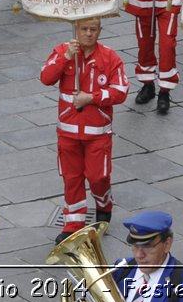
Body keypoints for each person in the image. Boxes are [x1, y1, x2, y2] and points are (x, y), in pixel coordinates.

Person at [40, 17, 128, 243]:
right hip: (68, 133)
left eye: (93, 29)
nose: (88, 34)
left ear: (100, 31)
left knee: (98, 177)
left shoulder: (110, 57)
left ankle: (104, 202)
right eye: (84, 29)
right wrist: (66, 57)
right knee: (71, 178)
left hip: (98, 134)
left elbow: (120, 91)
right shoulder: (62, 51)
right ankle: (73, 223)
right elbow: (46, 78)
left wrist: (92, 98)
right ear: (76, 29)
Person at [110, 211, 183, 302]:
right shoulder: (121, 268)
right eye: (135, 246)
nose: (139, 255)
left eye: (147, 246)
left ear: (167, 244)